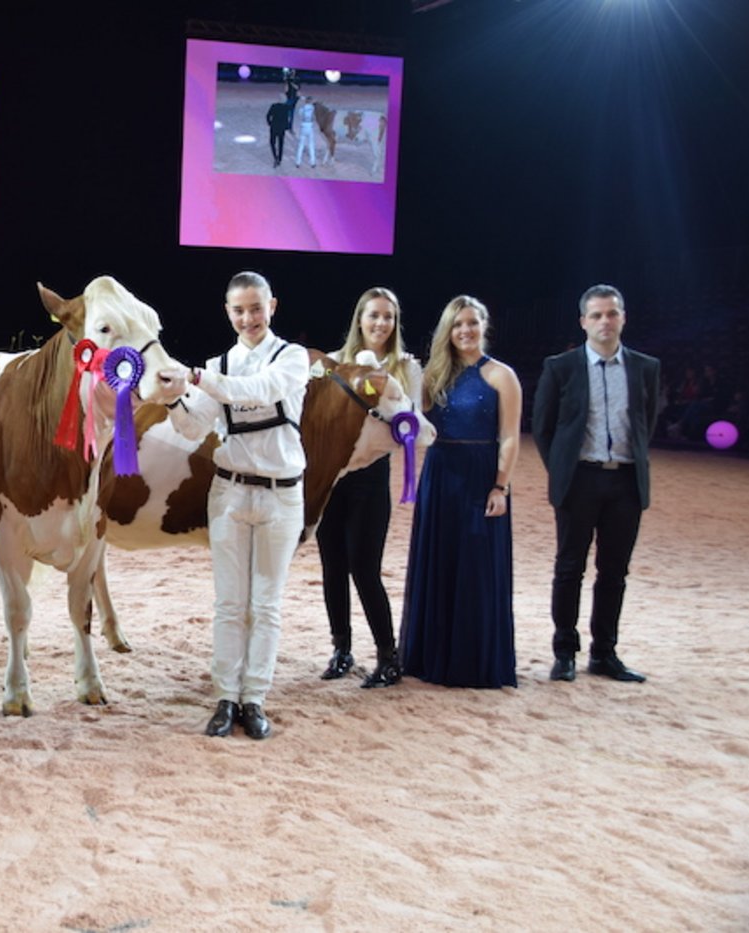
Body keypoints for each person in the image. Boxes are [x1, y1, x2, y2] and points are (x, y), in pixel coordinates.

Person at [161, 271, 310, 739]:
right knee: (229, 603)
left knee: (266, 604)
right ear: (228, 313)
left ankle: (254, 699)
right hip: (229, 493)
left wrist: (196, 378)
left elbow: (259, 390)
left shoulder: (292, 359)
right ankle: (226, 697)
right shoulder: (218, 364)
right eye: (239, 310)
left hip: (281, 496)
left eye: (256, 308)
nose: (249, 318)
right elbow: (193, 427)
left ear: (272, 306)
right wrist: (172, 398)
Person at [533, 284, 660, 683]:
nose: (605, 321)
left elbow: (647, 422)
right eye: (597, 315)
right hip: (579, 480)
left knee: (614, 572)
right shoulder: (561, 367)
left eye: (612, 313)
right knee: (569, 568)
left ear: (623, 317)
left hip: (625, 481)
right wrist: (562, 471)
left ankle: (604, 653)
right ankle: (564, 652)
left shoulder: (646, 367)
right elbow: (542, 426)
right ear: (583, 322)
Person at [400, 296, 521, 688]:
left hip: (480, 475)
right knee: (439, 562)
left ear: (484, 325)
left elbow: (510, 436)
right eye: (457, 324)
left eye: (471, 322)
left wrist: (500, 486)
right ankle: (430, 658)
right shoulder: (433, 376)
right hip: (440, 475)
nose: (465, 330)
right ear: (447, 332)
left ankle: (472, 663)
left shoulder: (501, 375)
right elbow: (410, 415)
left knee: (477, 569)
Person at [316, 287, 423, 688]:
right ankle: (341, 649)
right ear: (359, 319)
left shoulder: (407, 368)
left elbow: (411, 426)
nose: (381, 323)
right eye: (373, 315)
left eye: (388, 316)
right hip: (334, 478)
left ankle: (388, 657)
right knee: (332, 567)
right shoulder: (334, 363)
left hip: (372, 479)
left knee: (364, 568)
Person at [265, 97, 293, 168]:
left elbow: (268, 116)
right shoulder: (286, 107)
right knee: (281, 143)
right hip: (282, 128)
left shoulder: (274, 106)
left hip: (274, 127)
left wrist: (270, 123)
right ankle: (279, 158)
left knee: (272, 142)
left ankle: (275, 156)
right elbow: (291, 109)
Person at [295, 96, 318, 168]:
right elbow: (314, 117)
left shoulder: (302, 109)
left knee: (301, 145)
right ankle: (313, 162)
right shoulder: (313, 108)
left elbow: (300, 115)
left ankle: (298, 162)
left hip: (303, 127)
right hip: (310, 127)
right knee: (311, 145)